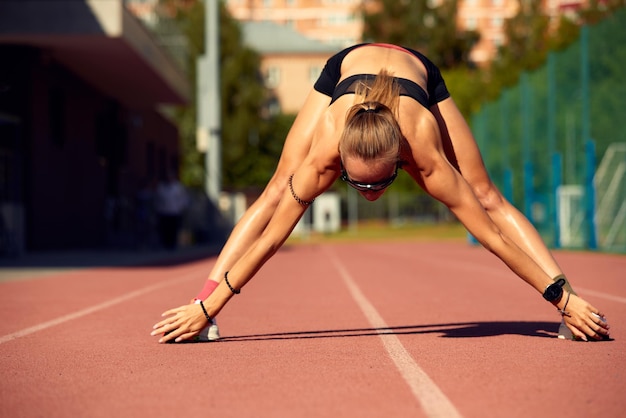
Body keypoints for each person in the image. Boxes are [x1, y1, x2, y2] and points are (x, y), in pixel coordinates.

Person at [151, 43, 610, 343]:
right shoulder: (325, 150)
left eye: (380, 183)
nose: (369, 193)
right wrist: (210, 306)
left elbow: (492, 235)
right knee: (275, 188)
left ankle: (575, 307)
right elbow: (272, 239)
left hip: (417, 75)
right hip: (346, 70)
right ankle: (199, 303)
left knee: (487, 194)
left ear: (401, 164)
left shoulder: (425, 153)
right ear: (339, 167)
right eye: (357, 184)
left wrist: (563, 299)